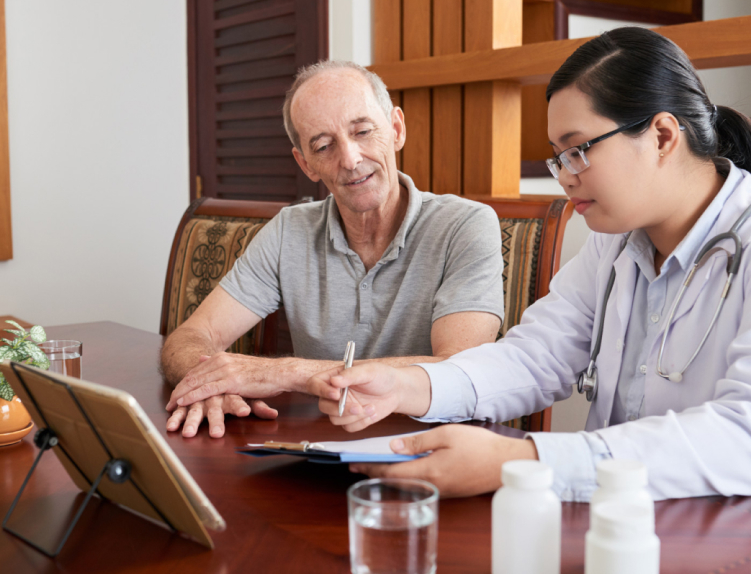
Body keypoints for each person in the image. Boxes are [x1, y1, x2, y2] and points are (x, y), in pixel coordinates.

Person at [307, 27, 751, 520]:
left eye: (577, 151)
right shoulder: (616, 248)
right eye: (556, 157)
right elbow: (533, 357)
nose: (564, 178)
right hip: (652, 526)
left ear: (663, 136)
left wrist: (523, 459)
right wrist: (405, 385)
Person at [161, 60, 505, 438]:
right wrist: (209, 386)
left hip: (431, 445)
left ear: (396, 129)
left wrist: (284, 372)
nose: (350, 159)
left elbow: (458, 366)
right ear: (306, 163)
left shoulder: (466, 225)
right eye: (324, 146)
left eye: (362, 131)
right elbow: (189, 337)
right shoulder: (288, 230)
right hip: (320, 446)